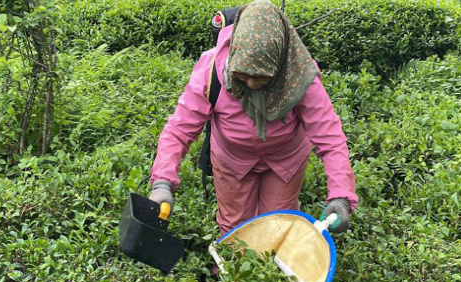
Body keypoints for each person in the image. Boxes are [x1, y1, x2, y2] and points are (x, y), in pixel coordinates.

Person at [149, 0, 358, 235]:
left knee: (278, 224)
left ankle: (273, 270)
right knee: (235, 225)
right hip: (232, 158)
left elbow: (330, 138)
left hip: (285, 158)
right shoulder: (212, 69)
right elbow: (179, 130)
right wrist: (162, 183)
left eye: (261, 77)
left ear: (280, 66)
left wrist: (341, 196)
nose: (251, 83)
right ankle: (233, 267)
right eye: (243, 75)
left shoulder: (300, 75)